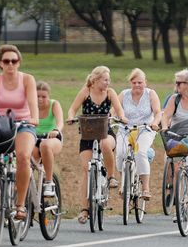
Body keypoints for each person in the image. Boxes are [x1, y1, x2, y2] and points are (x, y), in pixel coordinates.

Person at [0, 44, 39, 221]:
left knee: (23, 157)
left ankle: (20, 205)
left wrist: (34, 118)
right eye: (6, 61)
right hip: (1, 123)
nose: (10, 64)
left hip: (24, 124)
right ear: (0, 63)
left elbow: (33, 103)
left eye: (14, 61)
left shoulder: (27, 79)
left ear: (19, 62)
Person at [68, 66, 127, 224]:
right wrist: (71, 117)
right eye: (105, 79)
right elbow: (72, 109)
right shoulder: (86, 92)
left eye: (109, 79)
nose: (108, 82)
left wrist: (122, 118)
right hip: (87, 135)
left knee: (105, 144)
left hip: (106, 132)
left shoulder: (110, 93)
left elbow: (119, 110)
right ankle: (84, 209)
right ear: (95, 80)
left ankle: (111, 177)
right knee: (86, 171)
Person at [117, 68, 162, 203]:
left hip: (145, 129)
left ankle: (146, 188)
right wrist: (112, 118)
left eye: (140, 82)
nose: (137, 85)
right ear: (130, 83)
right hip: (125, 129)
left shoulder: (151, 94)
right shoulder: (124, 95)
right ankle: (123, 183)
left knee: (140, 152)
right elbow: (114, 110)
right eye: (134, 82)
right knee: (120, 153)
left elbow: (158, 112)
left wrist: (155, 123)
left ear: (145, 83)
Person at [32, 81, 64, 198]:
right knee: (30, 159)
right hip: (34, 139)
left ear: (49, 96)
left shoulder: (54, 105)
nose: (40, 99)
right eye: (37, 96)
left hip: (51, 137)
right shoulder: (31, 106)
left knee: (45, 145)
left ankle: (49, 182)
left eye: (43, 97)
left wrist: (56, 130)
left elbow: (60, 122)